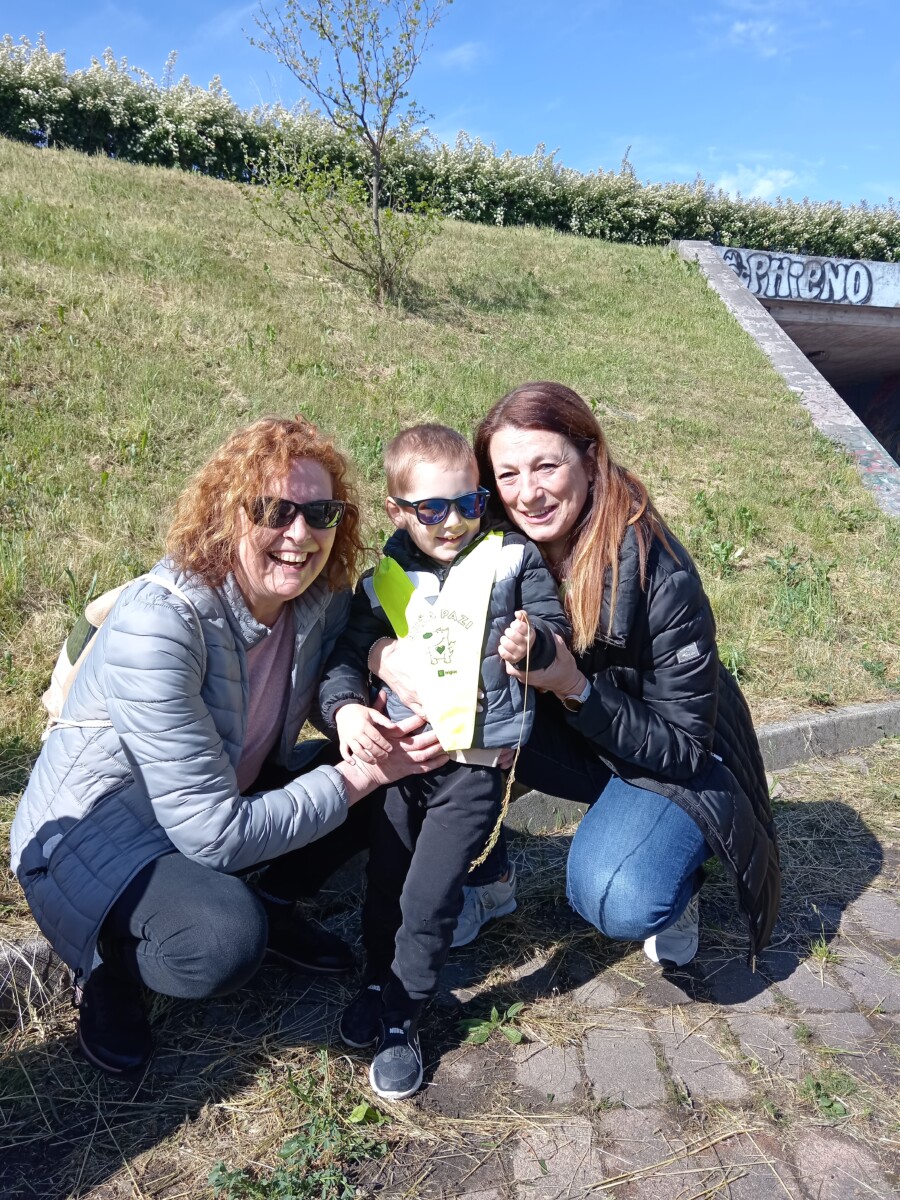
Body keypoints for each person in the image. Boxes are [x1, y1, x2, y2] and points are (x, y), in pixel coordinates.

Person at [10, 415, 447, 1076]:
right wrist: (362, 775)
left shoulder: (315, 600)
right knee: (223, 939)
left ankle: (275, 900)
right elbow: (212, 834)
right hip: (93, 836)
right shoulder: (160, 625)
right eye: (274, 510)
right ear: (225, 514)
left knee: (397, 768)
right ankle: (105, 961)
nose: (300, 534)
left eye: (321, 513)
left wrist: (363, 691)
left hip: (222, 791)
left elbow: (333, 670)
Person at [370, 383, 781, 969]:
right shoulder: (475, 527)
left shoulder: (658, 572)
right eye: (507, 475)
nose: (528, 493)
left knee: (616, 892)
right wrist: (381, 654)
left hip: (672, 756)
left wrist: (572, 686)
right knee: (442, 715)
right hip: (574, 733)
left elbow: (686, 748)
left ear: (590, 460)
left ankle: (679, 875)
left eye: (547, 466)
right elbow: (399, 569)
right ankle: (488, 879)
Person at [317, 424, 570, 1099]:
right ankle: (378, 979)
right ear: (398, 511)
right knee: (386, 881)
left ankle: (404, 1018)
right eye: (432, 508)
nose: (453, 521)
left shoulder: (513, 560)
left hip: (475, 768)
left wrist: (536, 644)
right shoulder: (383, 581)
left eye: (468, 503)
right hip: (400, 767)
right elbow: (346, 655)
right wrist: (347, 709)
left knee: (427, 899)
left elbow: (556, 630)